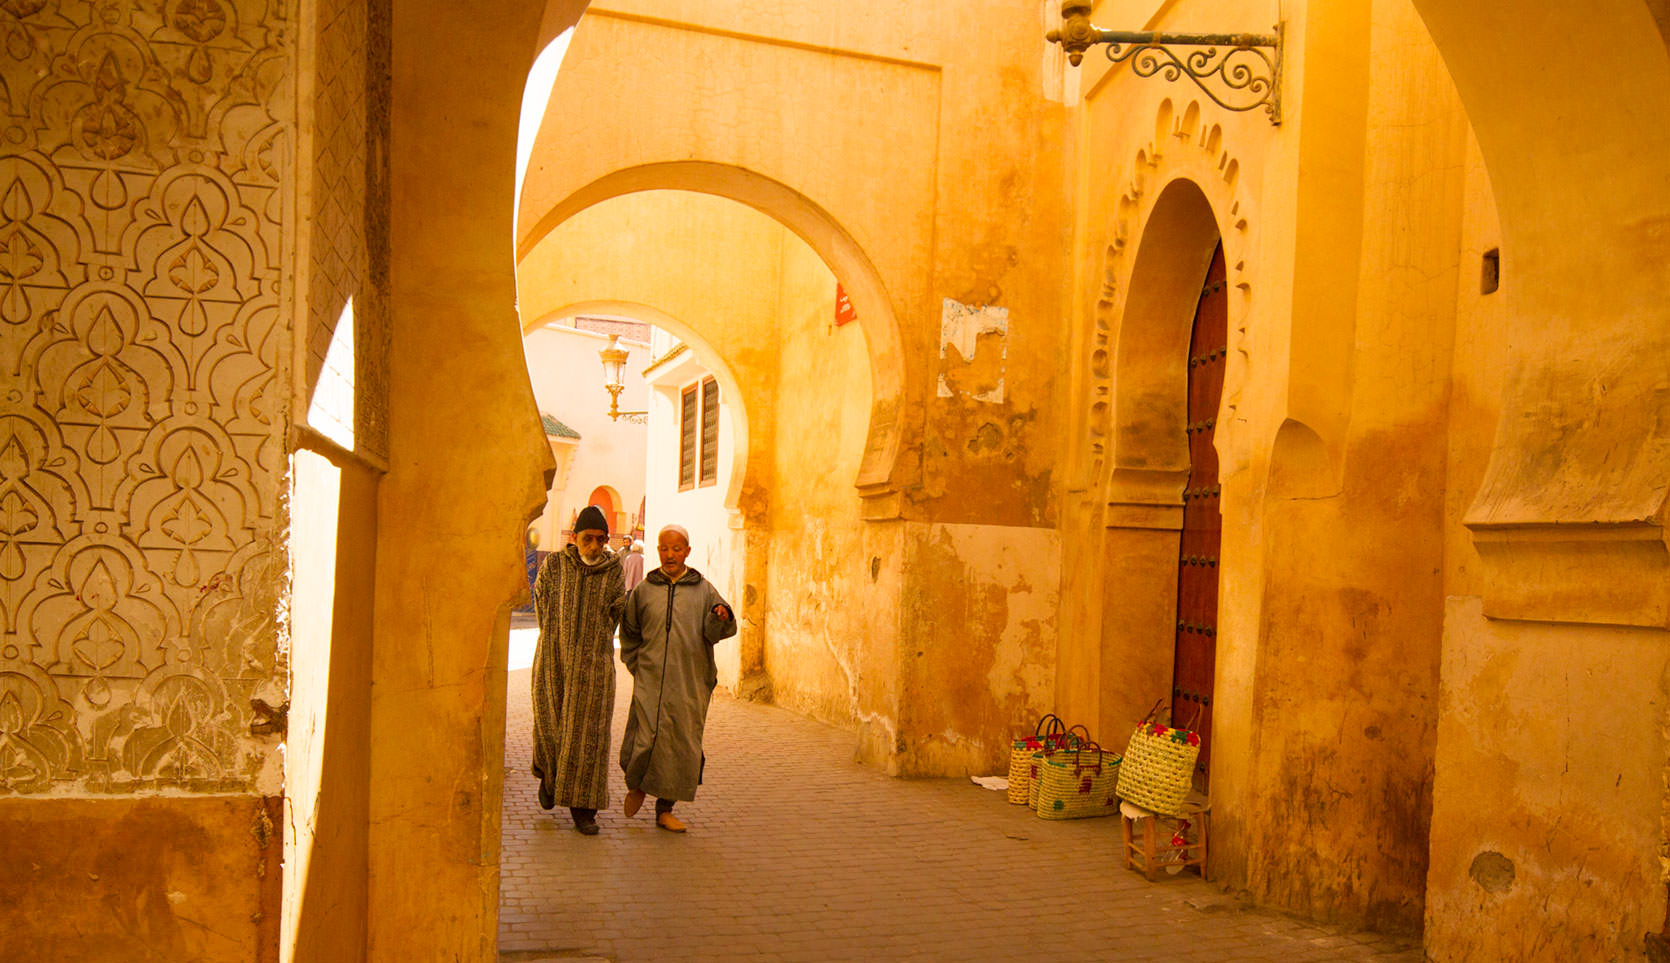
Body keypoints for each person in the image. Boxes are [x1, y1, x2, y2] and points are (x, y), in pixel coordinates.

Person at [618, 525, 736, 832]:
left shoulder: (704, 590)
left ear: (687, 552)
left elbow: (717, 631)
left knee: (679, 745)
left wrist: (720, 615)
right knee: (645, 736)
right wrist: (638, 666)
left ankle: (665, 810)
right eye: (664, 548)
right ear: (658, 551)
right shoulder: (644, 590)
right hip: (650, 681)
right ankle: (638, 783)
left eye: (676, 549)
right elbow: (629, 632)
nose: (670, 555)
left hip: (688, 683)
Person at [530, 505, 625, 835]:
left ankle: (584, 810)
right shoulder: (555, 565)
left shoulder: (613, 570)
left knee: (589, 738)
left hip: (593, 668)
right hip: (553, 661)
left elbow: (615, 612)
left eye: (601, 539)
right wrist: (556, 640)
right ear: (574, 538)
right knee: (550, 726)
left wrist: (592, 644)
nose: (595, 546)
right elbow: (541, 601)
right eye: (588, 539)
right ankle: (549, 777)